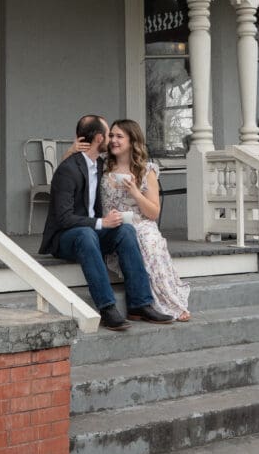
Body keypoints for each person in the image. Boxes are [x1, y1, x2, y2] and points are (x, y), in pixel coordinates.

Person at [39, 114, 173, 331]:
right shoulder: (68, 170)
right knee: (86, 233)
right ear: (100, 138)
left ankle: (140, 304)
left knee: (126, 230)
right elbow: (64, 219)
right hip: (66, 238)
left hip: (92, 234)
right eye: (109, 134)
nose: (112, 139)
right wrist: (102, 222)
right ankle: (107, 307)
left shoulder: (101, 166)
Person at [102, 119, 190, 322]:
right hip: (112, 225)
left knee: (150, 241)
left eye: (119, 136)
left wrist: (135, 192)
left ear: (132, 141)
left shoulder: (146, 170)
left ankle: (168, 303)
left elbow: (153, 213)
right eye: (111, 136)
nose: (113, 140)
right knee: (132, 236)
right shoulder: (102, 166)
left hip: (140, 222)